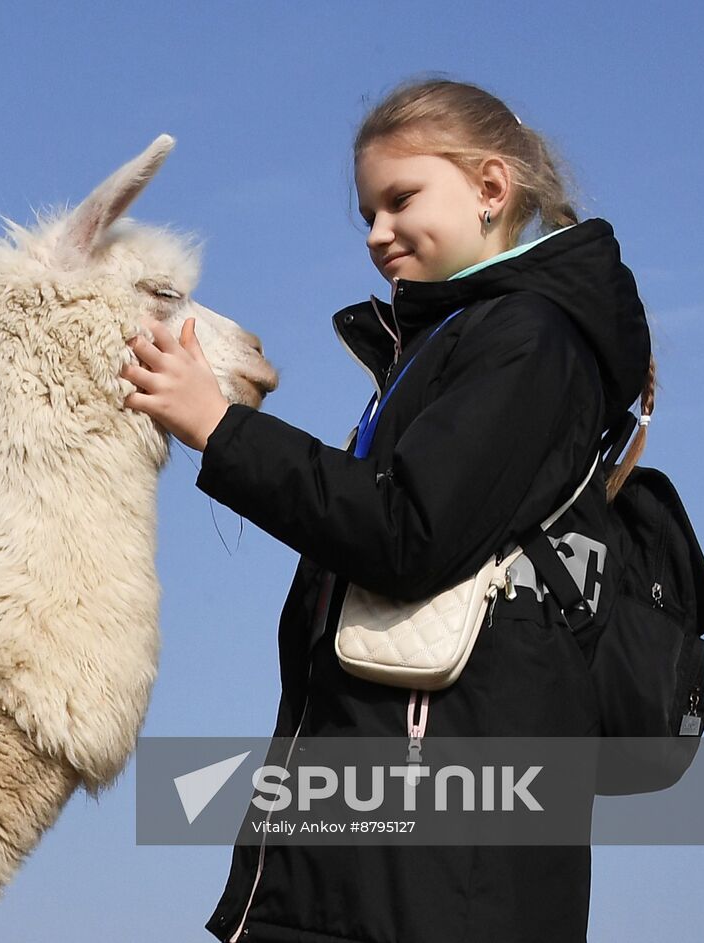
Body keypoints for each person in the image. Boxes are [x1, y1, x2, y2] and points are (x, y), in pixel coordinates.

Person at [120, 78, 653, 943]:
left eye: (401, 199)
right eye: (367, 211)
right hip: (379, 858)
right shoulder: (462, 341)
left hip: (434, 874)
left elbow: (407, 532)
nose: (376, 233)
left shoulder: (529, 339)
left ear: (490, 188)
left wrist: (220, 430)